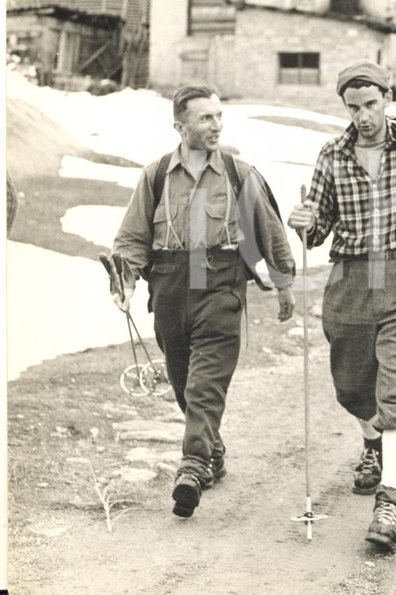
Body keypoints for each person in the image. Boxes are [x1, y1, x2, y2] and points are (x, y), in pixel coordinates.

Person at [287, 60, 396, 549]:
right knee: (351, 385)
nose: (363, 116)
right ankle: (373, 440)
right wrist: (302, 220)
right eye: (353, 106)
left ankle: (393, 502)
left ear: (388, 98)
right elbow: (317, 229)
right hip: (350, 280)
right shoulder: (332, 155)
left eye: (371, 104)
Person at [111, 85, 297, 518]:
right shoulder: (156, 175)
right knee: (182, 381)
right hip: (171, 289)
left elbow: (269, 231)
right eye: (205, 118)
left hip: (220, 285)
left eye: (218, 116)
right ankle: (211, 450)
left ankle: (192, 466)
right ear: (180, 126)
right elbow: (133, 238)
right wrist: (125, 282)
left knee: (203, 384)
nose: (216, 125)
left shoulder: (238, 172)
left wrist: (284, 283)